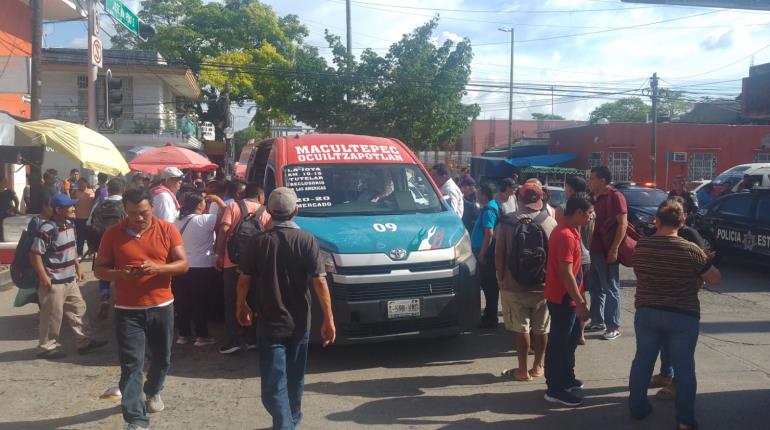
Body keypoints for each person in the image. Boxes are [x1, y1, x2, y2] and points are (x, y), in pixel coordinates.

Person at [236, 187, 336, 430]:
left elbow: (244, 279)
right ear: (296, 211)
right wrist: (329, 319)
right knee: (294, 378)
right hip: (300, 322)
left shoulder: (258, 241)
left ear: (269, 212)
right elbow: (319, 282)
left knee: (273, 384)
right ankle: (291, 421)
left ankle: (286, 424)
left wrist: (241, 305)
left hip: (270, 323)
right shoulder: (307, 240)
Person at [94, 188, 189, 430]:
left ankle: (153, 390)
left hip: (162, 306)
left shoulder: (167, 229)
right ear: (125, 210)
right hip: (128, 310)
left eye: (144, 212)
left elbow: (183, 264)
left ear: (153, 209)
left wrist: (158, 268)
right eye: (133, 213)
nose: (139, 218)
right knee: (131, 365)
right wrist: (121, 274)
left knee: (162, 358)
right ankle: (136, 419)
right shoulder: (112, 234)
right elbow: (99, 270)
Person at [628, 199, 721, 430]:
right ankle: (685, 421)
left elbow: (639, 271)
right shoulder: (691, 250)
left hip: (648, 311)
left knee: (642, 361)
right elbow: (715, 278)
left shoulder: (643, 246)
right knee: (685, 369)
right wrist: (698, 276)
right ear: (682, 222)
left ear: (656, 220)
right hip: (683, 314)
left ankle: (638, 408)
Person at [29, 193, 107, 359]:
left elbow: (72, 250)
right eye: (70, 206)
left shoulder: (69, 225)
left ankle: (84, 342)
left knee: (79, 309)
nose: (73, 208)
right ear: (58, 210)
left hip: (69, 280)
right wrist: (43, 276)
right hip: (53, 282)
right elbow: (35, 254)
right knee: (52, 316)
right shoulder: (47, 229)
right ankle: (46, 347)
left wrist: (78, 268)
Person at [495, 181, 556, 381]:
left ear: (519, 199)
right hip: (543, 285)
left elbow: (499, 253)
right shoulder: (550, 221)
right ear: (540, 199)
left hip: (514, 285)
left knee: (521, 328)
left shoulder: (507, 222)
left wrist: (501, 278)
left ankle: (522, 370)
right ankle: (538, 367)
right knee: (541, 328)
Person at [543, 195, 594, 407]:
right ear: (580, 213)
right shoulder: (565, 234)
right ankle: (555, 388)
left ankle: (566, 379)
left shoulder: (571, 231)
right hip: (563, 298)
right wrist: (580, 302)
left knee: (570, 340)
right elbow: (566, 274)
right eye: (589, 213)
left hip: (568, 297)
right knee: (559, 343)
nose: (591, 217)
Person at [215, 182, 270, 354]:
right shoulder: (265, 211)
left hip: (232, 262)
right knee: (254, 300)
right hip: (256, 265)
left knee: (231, 301)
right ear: (260, 196)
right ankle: (253, 339)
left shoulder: (233, 206)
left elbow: (223, 230)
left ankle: (233, 341)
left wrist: (218, 254)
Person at [173, 192, 226, 347]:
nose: (206, 204)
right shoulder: (206, 219)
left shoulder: (177, 220)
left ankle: (183, 335)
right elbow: (228, 215)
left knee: (183, 301)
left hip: (181, 266)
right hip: (202, 267)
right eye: (204, 202)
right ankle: (201, 336)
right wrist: (218, 200)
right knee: (200, 302)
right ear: (198, 205)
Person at [587, 166, 627, 341]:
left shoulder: (615, 196)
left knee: (610, 288)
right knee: (596, 288)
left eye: (592, 178)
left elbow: (622, 224)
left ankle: (613, 326)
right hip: (594, 250)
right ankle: (597, 320)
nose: (590, 181)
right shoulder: (593, 198)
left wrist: (615, 248)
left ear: (602, 180)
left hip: (606, 250)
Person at [555, 176, 593, 345]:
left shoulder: (563, 209)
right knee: (581, 292)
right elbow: (591, 236)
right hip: (585, 255)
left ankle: (571, 332)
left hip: (570, 255)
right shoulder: (590, 209)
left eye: (566, 187)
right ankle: (581, 333)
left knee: (570, 295)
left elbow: (558, 231)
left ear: (570, 189)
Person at [88, 178, 127, 319]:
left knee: (104, 274)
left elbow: (89, 225)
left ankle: (104, 299)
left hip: (102, 246)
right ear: (123, 190)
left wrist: (92, 246)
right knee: (121, 274)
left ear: (108, 190)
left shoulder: (99, 205)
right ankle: (121, 302)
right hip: (121, 246)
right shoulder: (126, 206)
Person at [472, 182, 500, 329]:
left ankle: (491, 317)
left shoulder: (489, 209)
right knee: (489, 286)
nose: (476, 194)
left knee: (489, 286)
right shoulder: (491, 206)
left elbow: (489, 234)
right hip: (485, 252)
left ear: (483, 194)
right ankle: (489, 314)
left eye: (478, 191)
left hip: (486, 254)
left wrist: (482, 254)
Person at [73, 177, 95, 258]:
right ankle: (80, 253)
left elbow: (94, 202)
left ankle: (91, 252)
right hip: (78, 218)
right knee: (80, 237)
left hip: (88, 219)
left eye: (82, 183)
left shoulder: (91, 192)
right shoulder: (75, 192)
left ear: (86, 183)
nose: (80, 185)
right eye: (79, 183)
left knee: (90, 236)